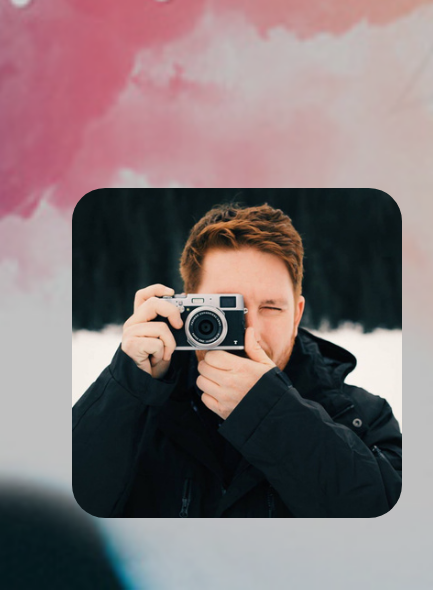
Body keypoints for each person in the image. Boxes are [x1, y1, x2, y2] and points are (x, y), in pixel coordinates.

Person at [72, 203, 401, 517]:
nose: (248, 332)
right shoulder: (142, 408)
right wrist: (127, 389)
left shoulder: (362, 417)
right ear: (186, 309)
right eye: (224, 309)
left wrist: (270, 411)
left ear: (297, 315)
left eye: (271, 308)